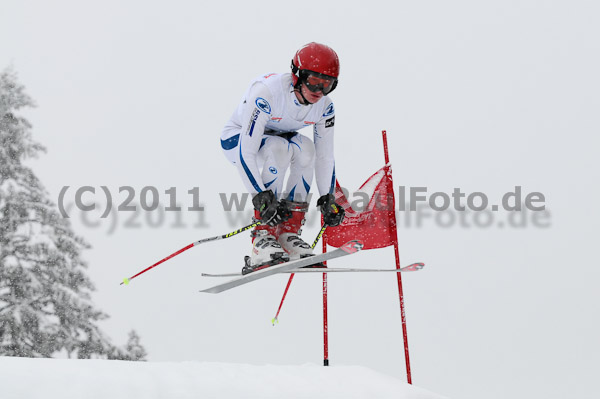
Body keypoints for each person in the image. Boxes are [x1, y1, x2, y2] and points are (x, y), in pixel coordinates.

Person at [220, 42, 345, 274]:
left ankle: (288, 233)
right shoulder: (267, 94)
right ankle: (262, 237)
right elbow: (246, 151)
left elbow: (325, 156)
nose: (319, 91)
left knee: (307, 148)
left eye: (327, 85)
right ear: (298, 75)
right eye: (314, 81)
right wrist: (260, 196)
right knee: (278, 147)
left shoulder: (324, 108)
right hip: (237, 141)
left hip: (278, 141)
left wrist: (328, 197)